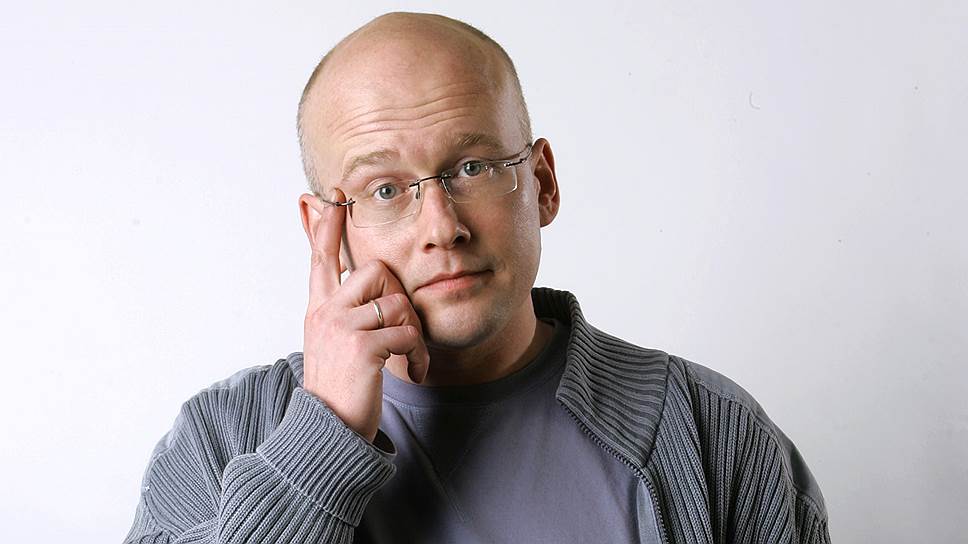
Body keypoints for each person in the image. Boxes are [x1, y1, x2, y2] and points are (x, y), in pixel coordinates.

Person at [125, 11, 830, 544]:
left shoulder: (713, 436)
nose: (441, 226)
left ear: (543, 183)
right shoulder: (218, 442)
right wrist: (322, 436)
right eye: (384, 189)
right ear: (323, 231)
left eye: (473, 168)